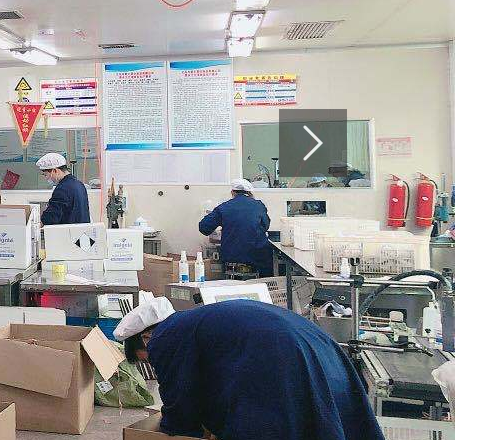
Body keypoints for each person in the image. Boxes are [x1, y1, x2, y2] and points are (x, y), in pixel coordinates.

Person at [114, 296, 383, 440]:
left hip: (281, 356)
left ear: (146, 338)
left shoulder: (164, 337)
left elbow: (179, 398)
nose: (153, 363)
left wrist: (172, 429)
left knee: (264, 424)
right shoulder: (191, 322)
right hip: (316, 343)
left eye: (146, 359)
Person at [199, 179, 273, 277]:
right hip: (258, 262)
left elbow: (203, 227)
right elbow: (266, 226)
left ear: (232, 192)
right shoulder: (259, 205)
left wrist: (226, 226)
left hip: (232, 262)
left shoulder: (224, 207)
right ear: (250, 193)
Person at [37, 153, 90, 225]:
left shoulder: (62, 189)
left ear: (55, 171)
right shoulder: (79, 184)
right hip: (82, 230)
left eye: (46, 175)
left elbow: (49, 219)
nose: (46, 178)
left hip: (68, 231)